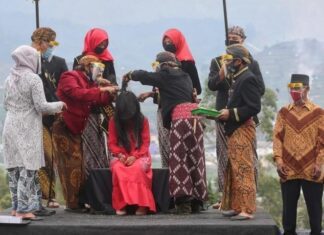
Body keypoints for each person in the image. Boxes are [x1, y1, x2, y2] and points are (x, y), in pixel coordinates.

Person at [123, 51, 207, 214]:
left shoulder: (165, 74)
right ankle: (197, 201)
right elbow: (176, 93)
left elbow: (144, 76)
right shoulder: (185, 76)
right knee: (195, 159)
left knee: (179, 161)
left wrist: (130, 74)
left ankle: (183, 204)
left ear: (163, 65)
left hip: (181, 120)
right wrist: (152, 94)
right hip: (196, 119)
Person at [2, 45, 65, 220]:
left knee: (14, 168)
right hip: (26, 126)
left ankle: (16, 207)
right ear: (29, 59)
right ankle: (24, 209)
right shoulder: (33, 79)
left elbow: (6, 104)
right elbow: (41, 106)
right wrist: (60, 105)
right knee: (28, 168)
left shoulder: (9, 78)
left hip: (9, 125)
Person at [207, 26, 265, 209]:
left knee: (247, 158)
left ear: (243, 41)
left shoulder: (250, 64)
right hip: (223, 116)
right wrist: (223, 70)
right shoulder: (217, 62)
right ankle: (226, 197)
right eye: (229, 38)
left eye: (236, 39)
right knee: (224, 156)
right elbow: (212, 85)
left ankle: (248, 198)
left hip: (242, 117)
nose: (232, 41)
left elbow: (259, 89)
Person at [53, 55, 118, 211]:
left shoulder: (89, 83)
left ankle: (80, 200)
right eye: (97, 68)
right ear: (88, 66)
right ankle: (73, 203)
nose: (99, 72)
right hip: (64, 124)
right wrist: (100, 88)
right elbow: (78, 94)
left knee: (80, 164)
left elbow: (96, 101)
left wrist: (109, 93)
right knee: (70, 165)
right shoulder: (70, 76)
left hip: (76, 126)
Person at [138, 28, 201, 168]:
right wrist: (151, 94)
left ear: (178, 42)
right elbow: (161, 86)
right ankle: (168, 179)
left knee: (180, 151)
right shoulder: (163, 63)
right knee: (166, 148)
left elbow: (196, 88)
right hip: (164, 109)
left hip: (181, 114)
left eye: (170, 41)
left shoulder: (187, 62)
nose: (167, 43)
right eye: (165, 41)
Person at [273, 74, 324, 235]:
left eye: (297, 88)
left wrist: (319, 163)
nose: (294, 91)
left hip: (311, 168)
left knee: (315, 211)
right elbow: (277, 138)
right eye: (292, 88)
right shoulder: (283, 113)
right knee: (288, 214)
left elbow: (322, 141)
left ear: (307, 89)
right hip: (288, 168)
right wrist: (279, 161)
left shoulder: (318, 113)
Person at [218, 44, 261, 220]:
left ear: (238, 61)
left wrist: (231, 113)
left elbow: (254, 107)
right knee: (235, 169)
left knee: (243, 168)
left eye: (229, 60)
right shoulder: (238, 77)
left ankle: (247, 209)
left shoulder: (248, 78)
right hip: (235, 129)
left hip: (243, 128)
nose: (227, 63)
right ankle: (237, 206)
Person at [31, 27, 68, 209]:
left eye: (53, 42)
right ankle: (43, 195)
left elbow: (65, 87)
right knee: (41, 156)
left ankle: (59, 195)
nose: (50, 46)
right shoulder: (33, 63)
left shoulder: (60, 63)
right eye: (48, 42)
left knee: (55, 156)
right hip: (37, 115)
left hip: (57, 114)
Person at [73, 28, 117, 179]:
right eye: (100, 42)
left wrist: (108, 86)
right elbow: (76, 82)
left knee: (109, 143)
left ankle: (106, 178)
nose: (103, 46)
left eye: (105, 43)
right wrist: (96, 81)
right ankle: (90, 179)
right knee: (90, 144)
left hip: (104, 106)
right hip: (87, 108)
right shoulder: (80, 59)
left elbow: (113, 80)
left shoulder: (108, 60)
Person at [108, 91, 156, 216]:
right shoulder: (113, 121)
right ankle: (121, 204)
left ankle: (142, 205)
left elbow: (145, 143)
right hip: (120, 156)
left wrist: (135, 156)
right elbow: (112, 143)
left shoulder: (142, 120)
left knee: (137, 168)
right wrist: (120, 155)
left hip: (141, 155)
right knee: (118, 169)